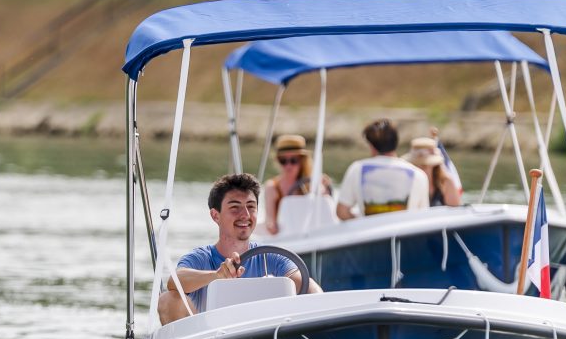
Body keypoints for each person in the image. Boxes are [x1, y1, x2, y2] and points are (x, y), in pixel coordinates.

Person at [158, 173, 320, 323]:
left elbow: (309, 288)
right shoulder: (200, 257)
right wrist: (217, 275)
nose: (245, 215)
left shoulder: (271, 256)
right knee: (168, 300)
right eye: (235, 207)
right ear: (216, 215)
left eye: (251, 206)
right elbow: (174, 281)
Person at [335, 119, 429, 219]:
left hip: (369, 234)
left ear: (371, 146)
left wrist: (361, 223)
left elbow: (342, 212)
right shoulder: (419, 175)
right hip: (405, 234)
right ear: (396, 142)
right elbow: (423, 218)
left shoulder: (356, 169)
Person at [263, 133, 334, 234]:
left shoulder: (313, 183)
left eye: (293, 160)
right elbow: (270, 222)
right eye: (283, 161)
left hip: (314, 234)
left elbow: (325, 211)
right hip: (286, 238)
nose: (288, 165)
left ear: (302, 161)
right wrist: (272, 226)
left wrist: (323, 187)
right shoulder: (272, 187)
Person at [408, 132, 463, 207]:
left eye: (424, 166)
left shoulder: (446, 182)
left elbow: (456, 211)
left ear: (433, 165)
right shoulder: (407, 183)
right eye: (416, 165)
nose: (419, 168)